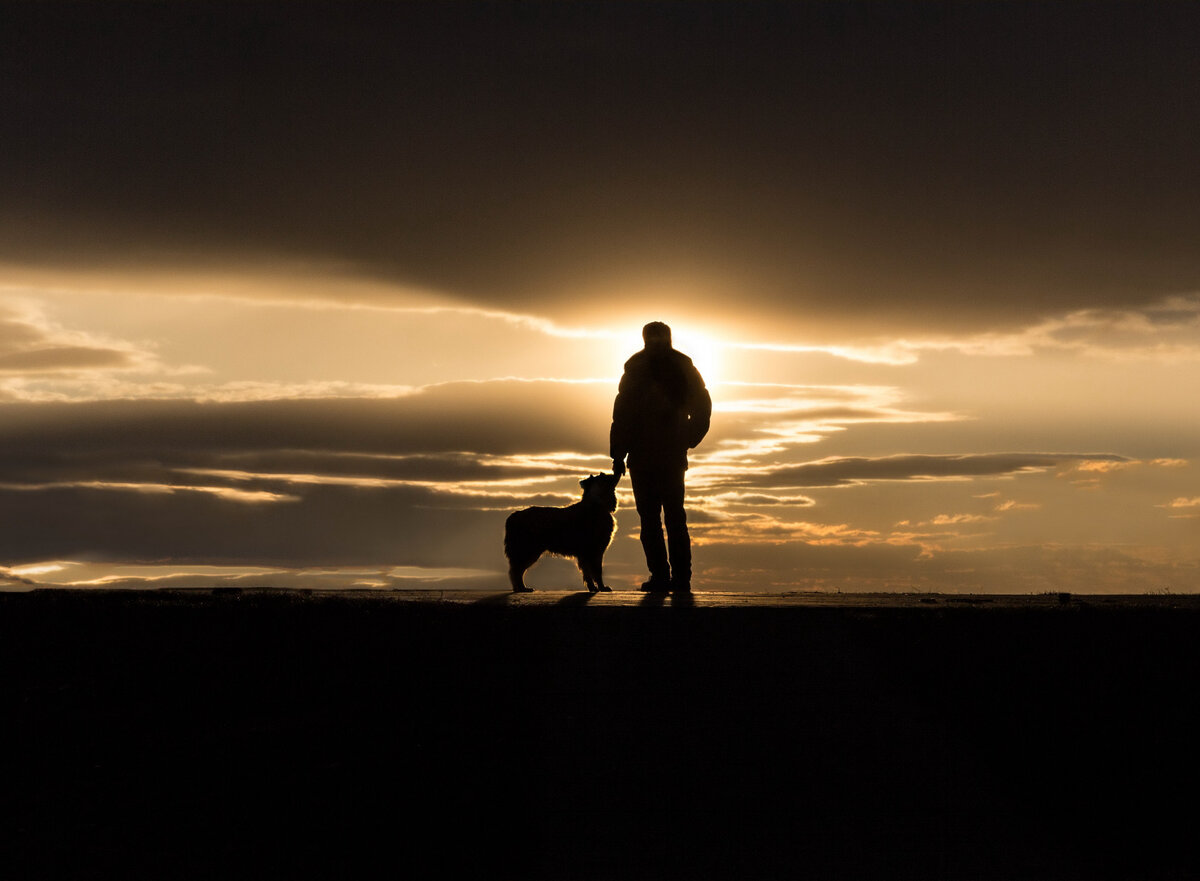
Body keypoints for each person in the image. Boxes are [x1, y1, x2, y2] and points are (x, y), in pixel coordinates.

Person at [610, 321, 712, 593]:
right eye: (651, 338)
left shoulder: (683, 369)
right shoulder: (634, 371)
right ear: (645, 339)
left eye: (660, 338)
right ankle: (660, 576)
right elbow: (622, 415)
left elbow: (702, 407)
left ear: (667, 339)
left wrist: (687, 439)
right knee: (650, 521)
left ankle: (680, 578)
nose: (655, 343)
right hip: (641, 458)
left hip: (669, 456)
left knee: (675, 519)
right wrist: (618, 455)